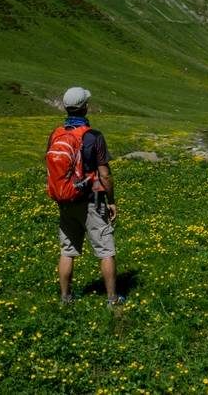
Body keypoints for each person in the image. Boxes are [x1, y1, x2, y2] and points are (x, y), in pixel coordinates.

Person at [49, 86, 124, 307]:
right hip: (92, 200)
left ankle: (65, 298)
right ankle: (112, 299)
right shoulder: (93, 136)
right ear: (84, 108)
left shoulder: (56, 134)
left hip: (66, 200)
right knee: (106, 250)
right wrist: (111, 201)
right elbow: (105, 174)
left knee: (67, 251)